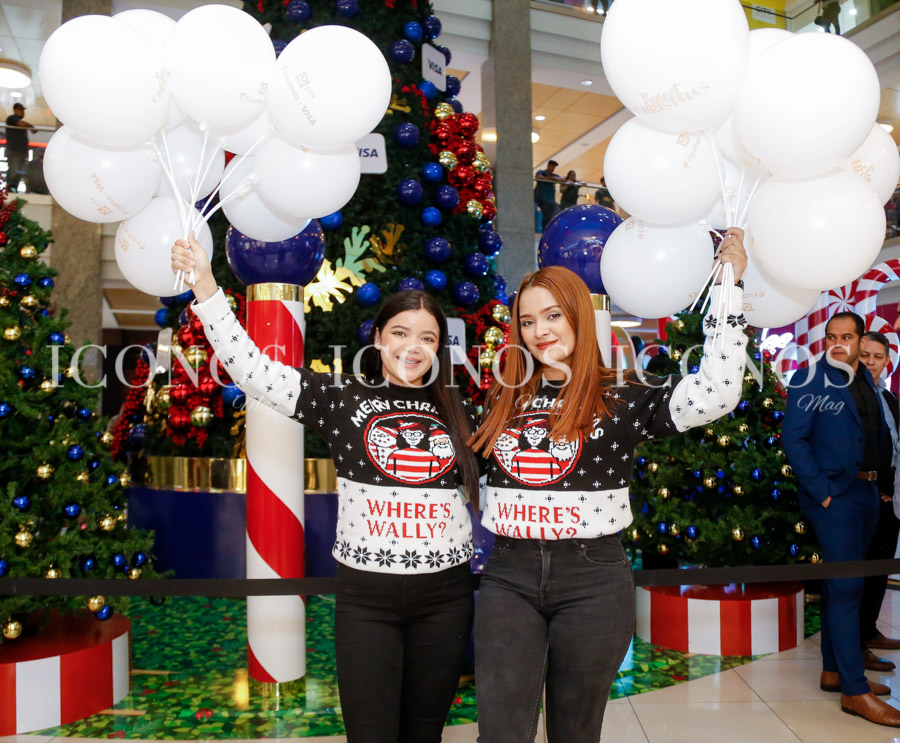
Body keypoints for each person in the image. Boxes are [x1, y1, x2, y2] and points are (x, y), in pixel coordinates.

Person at [172, 233, 480, 743]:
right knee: (370, 733)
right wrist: (205, 285)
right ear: (378, 338)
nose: (413, 346)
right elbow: (251, 369)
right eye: (400, 332)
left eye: (427, 338)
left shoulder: (459, 410)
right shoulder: (341, 397)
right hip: (367, 602)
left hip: (446, 600)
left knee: (425, 733)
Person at [468, 229, 749, 743]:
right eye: (527, 321)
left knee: (576, 730)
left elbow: (717, 391)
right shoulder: (504, 398)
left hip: (592, 579)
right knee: (501, 731)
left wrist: (729, 289)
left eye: (553, 315)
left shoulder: (624, 394)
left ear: (579, 316)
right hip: (509, 575)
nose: (540, 331)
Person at [783, 312, 898, 727]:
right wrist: (823, 492)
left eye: (846, 336)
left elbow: (875, 435)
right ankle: (855, 690)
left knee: (843, 587)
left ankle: (833, 671)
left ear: (860, 340)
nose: (837, 343)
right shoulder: (809, 378)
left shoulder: (866, 378)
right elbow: (793, 439)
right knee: (848, 589)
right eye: (831, 336)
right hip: (835, 498)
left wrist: (880, 484)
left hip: (866, 493)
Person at [858, 332, 900, 655]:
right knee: (861, 570)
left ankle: (869, 631)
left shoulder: (888, 397)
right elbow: (862, 449)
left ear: (887, 361)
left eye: (878, 357)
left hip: (892, 496)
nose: (871, 362)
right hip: (867, 492)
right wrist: (881, 484)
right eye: (866, 355)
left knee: (880, 567)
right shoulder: (853, 395)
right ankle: (857, 643)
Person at [4, 103, 35, 192]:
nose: (22, 112)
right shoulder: (11, 119)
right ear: (15, 110)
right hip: (14, 151)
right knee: (13, 170)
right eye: (20, 110)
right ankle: (9, 187)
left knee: (19, 171)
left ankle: (14, 187)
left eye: (23, 110)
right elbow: (21, 123)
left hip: (22, 152)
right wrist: (32, 127)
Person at [534, 160, 563, 233]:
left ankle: (548, 231)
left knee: (551, 216)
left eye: (554, 167)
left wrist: (553, 178)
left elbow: (563, 179)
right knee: (546, 216)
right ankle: (544, 231)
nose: (553, 168)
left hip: (551, 200)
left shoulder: (553, 175)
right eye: (552, 166)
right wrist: (551, 178)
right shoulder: (541, 172)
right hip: (543, 199)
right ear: (548, 166)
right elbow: (538, 177)